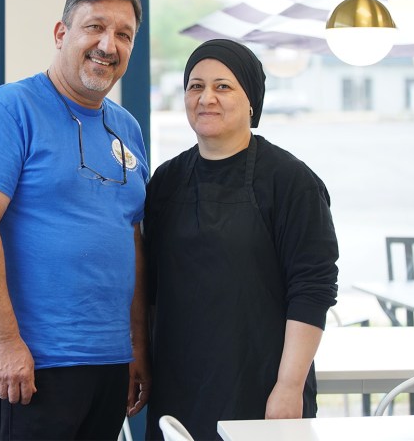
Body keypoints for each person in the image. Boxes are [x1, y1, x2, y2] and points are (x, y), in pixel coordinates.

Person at [0, 0, 151, 441]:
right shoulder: (9, 109)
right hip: (32, 361)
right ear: (62, 34)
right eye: (95, 27)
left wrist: (136, 344)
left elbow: (132, 240)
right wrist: (3, 342)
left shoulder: (126, 128)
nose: (108, 45)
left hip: (107, 361)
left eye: (123, 35)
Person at [143, 39, 339, 440]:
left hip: (263, 385)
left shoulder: (290, 181)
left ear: (252, 101)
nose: (206, 98)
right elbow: (150, 289)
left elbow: (313, 289)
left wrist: (288, 387)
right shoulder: (165, 181)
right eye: (195, 86)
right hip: (178, 386)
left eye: (223, 86)